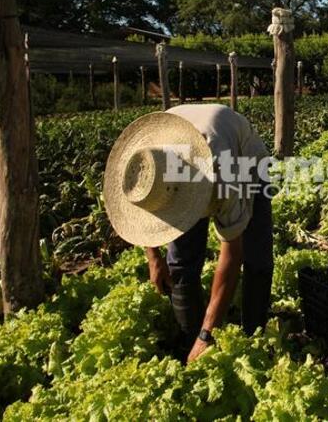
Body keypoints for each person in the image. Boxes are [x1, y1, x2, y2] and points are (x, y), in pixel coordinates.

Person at [103, 104, 273, 363]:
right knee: (180, 263)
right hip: (182, 163)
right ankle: (189, 340)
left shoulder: (222, 173)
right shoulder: (145, 161)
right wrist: (154, 258)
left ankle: (252, 337)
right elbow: (147, 209)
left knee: (256, 256)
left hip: (244, 159)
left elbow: (232, 252)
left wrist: (208, 334)